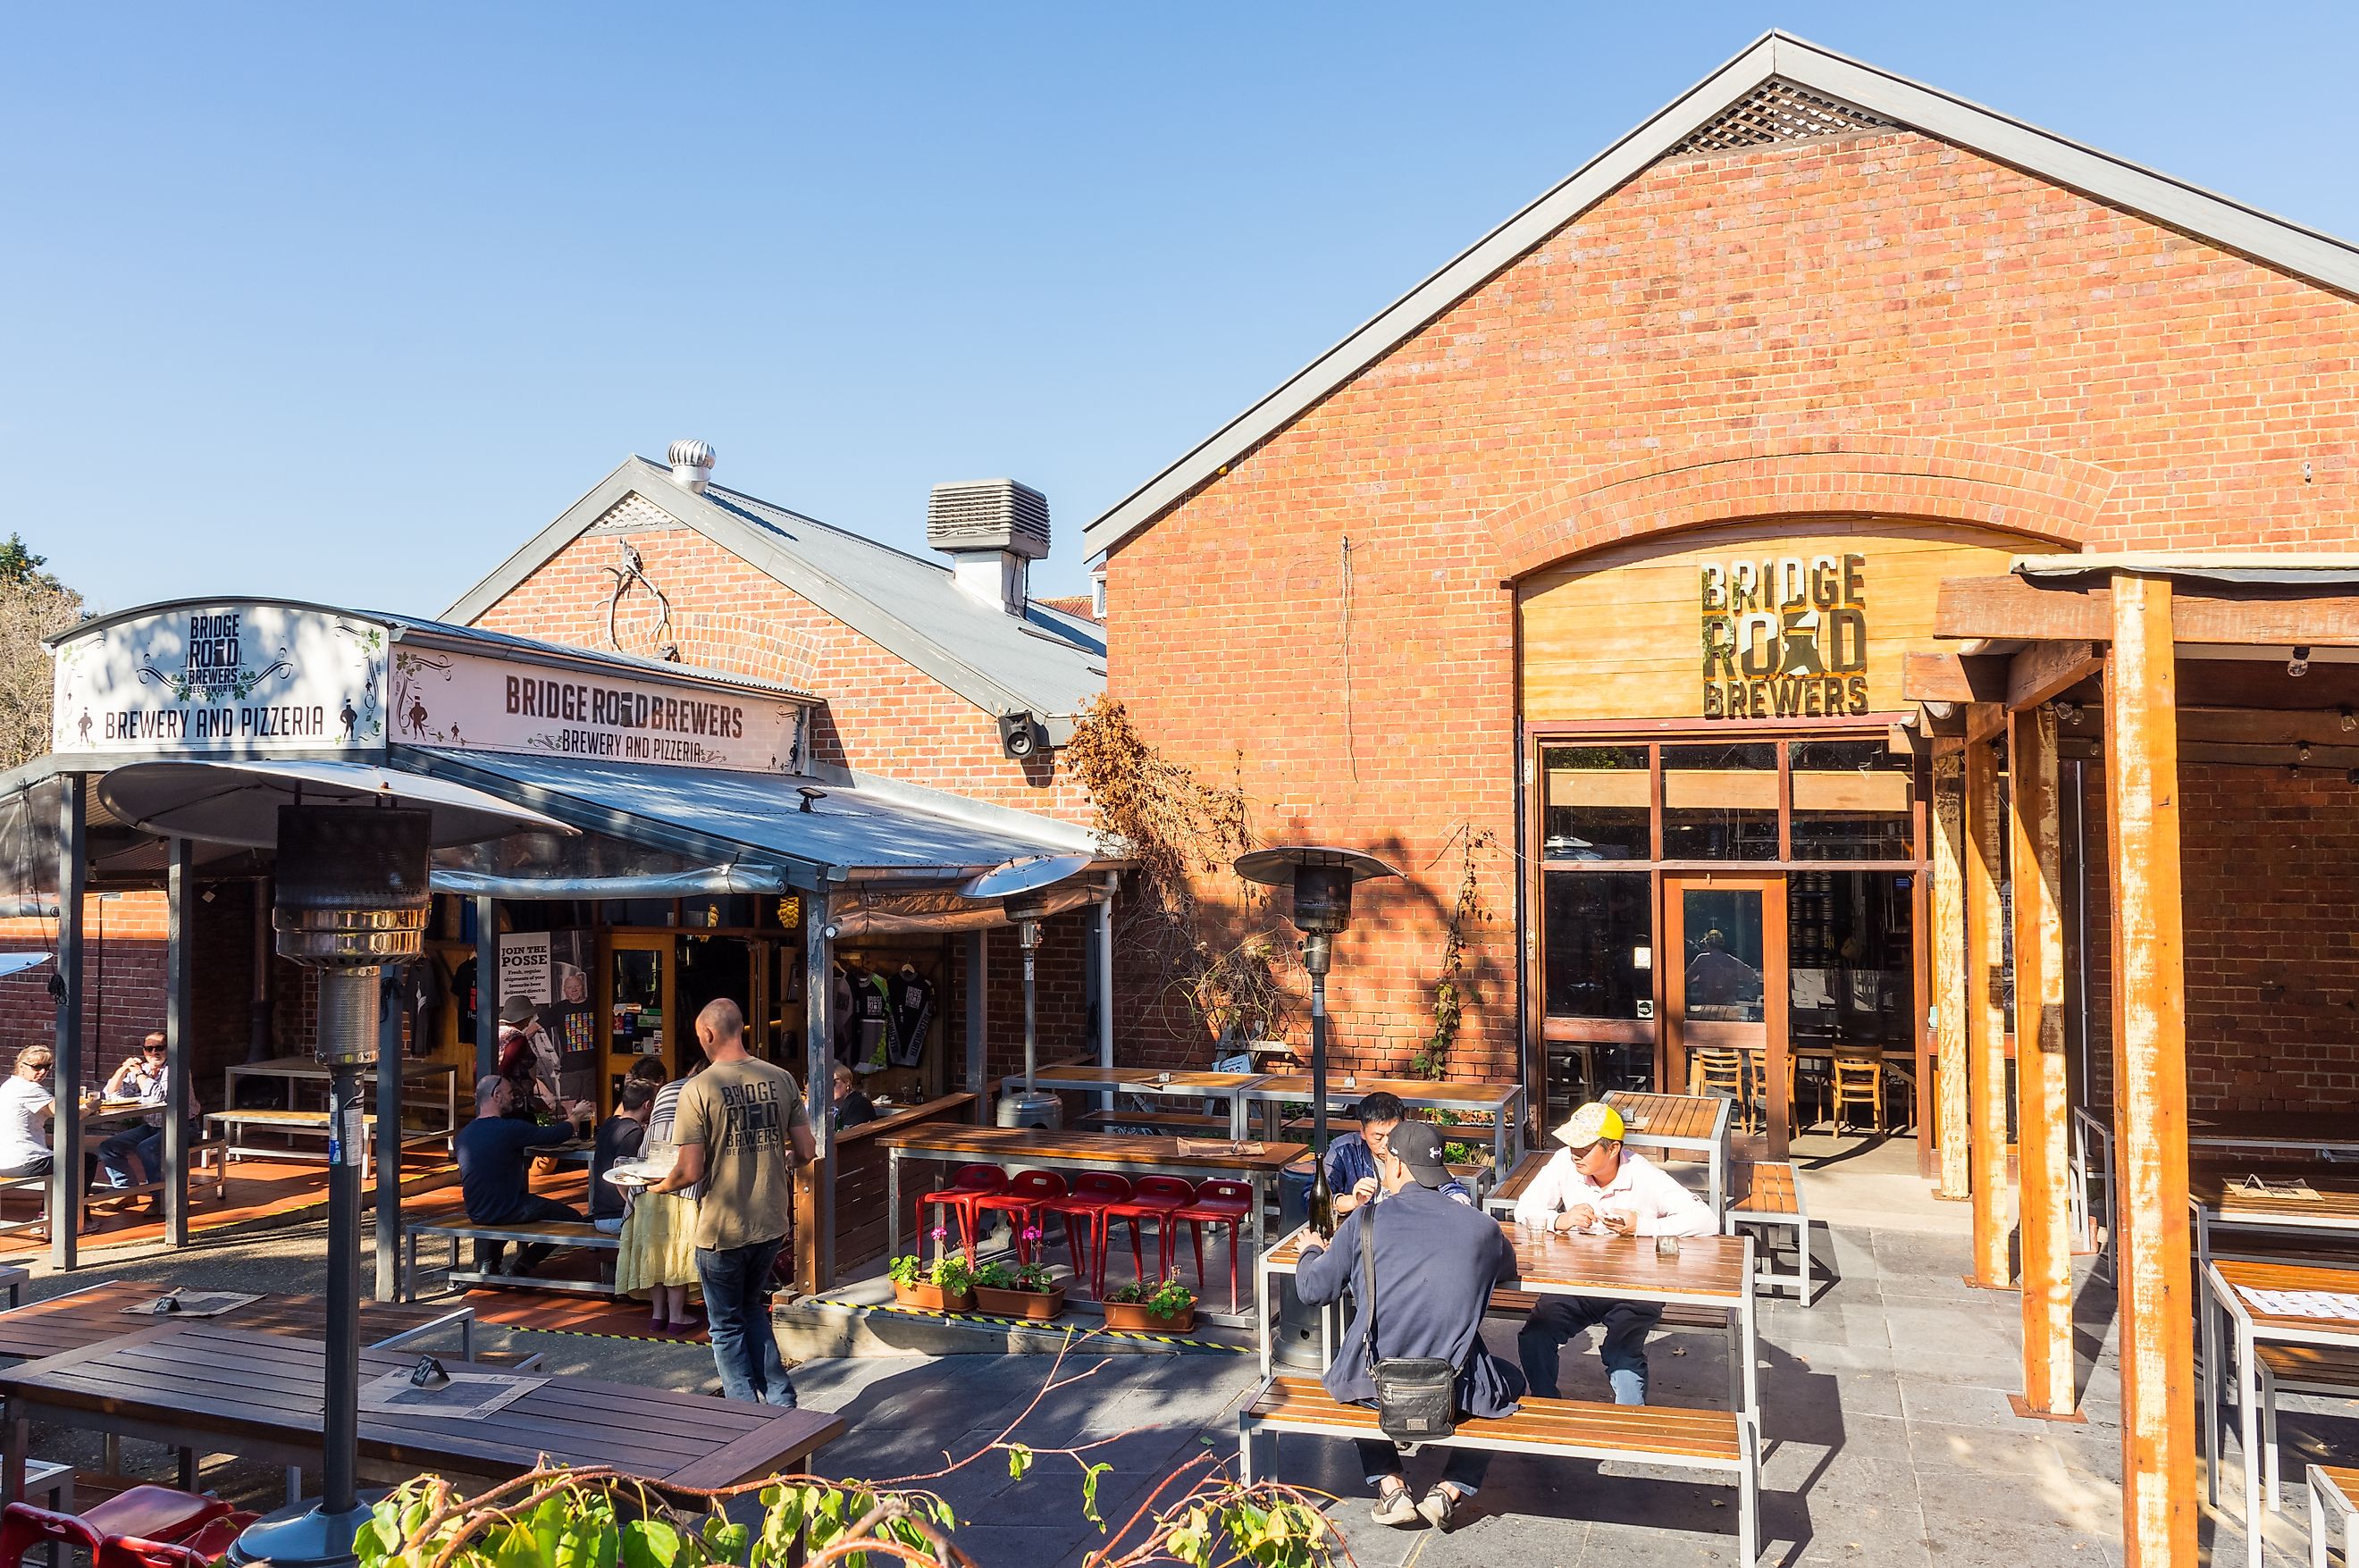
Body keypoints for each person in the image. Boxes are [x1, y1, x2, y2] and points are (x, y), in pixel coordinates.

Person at [1296, 1120, 1522, 1532]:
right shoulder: (1481, 1226)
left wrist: (1311, 1251)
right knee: (1510, 1380)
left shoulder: (1364, 1221)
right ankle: (1450, 1488)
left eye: (1384, 1160)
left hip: (1375, 1388)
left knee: (1347, 1374)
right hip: (1456, 1388)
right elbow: (1506, 1266)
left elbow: (1313, 1290)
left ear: (1397, 1166)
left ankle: (1391, 1487)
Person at [646, 998, 814, 1406]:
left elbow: (689, 1171)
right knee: (753, 1309)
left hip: (722, 1229)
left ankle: (744, 1417)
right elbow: (807, 1150)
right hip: (771, 1221)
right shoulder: (782, 1078)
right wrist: (780, 1160)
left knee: (724, 1326)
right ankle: (780, 1402)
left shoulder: (698, 1088)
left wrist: (654, 1187)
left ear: (707, 1034)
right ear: (742, 1029)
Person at [1511, 1102, 1717, 1404]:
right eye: (1571, 1144)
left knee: (1621, 1352)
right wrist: (1559, 1220)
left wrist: (1641, 1226)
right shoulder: (1562, 1163)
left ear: (1613, 1149)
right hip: (1576, 1281)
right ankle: (1546, 1406)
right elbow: (1523, 1209)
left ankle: (1631, 1429)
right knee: (1535, 1336)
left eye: (1584, 1146)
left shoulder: (1644, 1175)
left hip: (1636, 1287)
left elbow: (1707, 1221)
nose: (1574, 1152)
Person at [454, 1076, 591, 1276]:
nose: (513, 1098)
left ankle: (490, 1263)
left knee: (500, 1208)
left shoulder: (464, 1135)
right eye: (510, 1094)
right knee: (572, 1219)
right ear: (497, 1096)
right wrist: (576, 1116)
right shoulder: (509, 1129)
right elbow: (554, 1136)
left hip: (476, 1210)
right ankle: (522, 1265)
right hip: (508, 1209)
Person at [618, 1059, 699, 1330]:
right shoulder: (696, 1113)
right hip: (681, 1190)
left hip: (647, 1189)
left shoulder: (657, 1113)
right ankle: (677, 1317)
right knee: (675, 1251)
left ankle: (657, 1315)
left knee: (653, 1253)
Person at [1323, 1091, 1471, 1218]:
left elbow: (1447, 1186)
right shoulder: (1343, 1151)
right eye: (1378, 1137)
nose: (1387, 1143)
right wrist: (1352, 1202)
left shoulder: (1415, 1146)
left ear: (1404, 1124)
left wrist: (1458, 1201)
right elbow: (1314, 1200)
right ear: (1362, 1131)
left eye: (1393, 1134)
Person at [589, 1080, 654, 1236]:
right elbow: (622, 1177)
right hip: (617, 1217)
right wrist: (635, 1208)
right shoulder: (633, 1132)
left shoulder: (609, 1124)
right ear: (647, 1105)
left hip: (600, 1214)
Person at [0, 1045, 55, 1179]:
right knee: (83, 1161)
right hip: (25, 1161)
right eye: (36, 1067)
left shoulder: (9, 1084)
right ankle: (72, 1201)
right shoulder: (31, 1088)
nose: (42, 1071)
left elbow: (51, 1111)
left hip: (5, 1161)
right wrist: (90, 1107)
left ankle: (56, 1200)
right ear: (21, 1067)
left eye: (47, 1067)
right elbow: (66, 1114)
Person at [830, 1062, 877, 1131]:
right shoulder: (831, 1107)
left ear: (847, 1082)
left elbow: (848, 1137)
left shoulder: (859, 1105)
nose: (829, 1087)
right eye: (825, 1084)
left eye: (833, 1083)